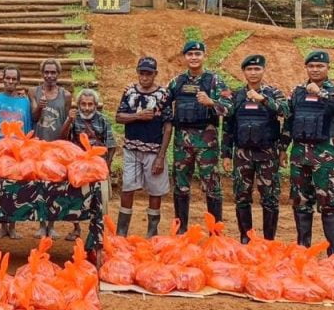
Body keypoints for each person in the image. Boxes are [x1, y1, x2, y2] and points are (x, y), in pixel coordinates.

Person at [282, 50, 334, 255]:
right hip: (299, 156)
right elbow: (289, 121)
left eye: (319, 66)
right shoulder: (297, 92)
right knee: (301, 201)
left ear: (327, 68)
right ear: (306, 68)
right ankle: (303, 246)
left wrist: (320, 94)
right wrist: (282, 148)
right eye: (311, 66)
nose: (315, 69)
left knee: (330, 202)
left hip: (325, 157)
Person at [166, 41, 233, 233]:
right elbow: (162, 103)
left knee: (212, 185)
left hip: (207, 143)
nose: (194, 57)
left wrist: (212, 102)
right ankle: (181, 230)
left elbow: (230, 108)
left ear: (204, 56)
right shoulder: (177, 82)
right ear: (185, 57)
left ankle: (215, 233)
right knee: (180, 185)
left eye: (197, 54)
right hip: (182, 142)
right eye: (190, 54)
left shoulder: (214, 81)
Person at [222, 55, 289, 243]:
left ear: (263, 71)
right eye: (249, 69)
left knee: (270, 198)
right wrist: (226, 154)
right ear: (244, 72)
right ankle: (246, 237)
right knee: (242, 196)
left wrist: (263, 100)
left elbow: (286, 112)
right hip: (242, 154)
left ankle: (268, 240)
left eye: (257, 69)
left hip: (268, 153)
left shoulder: (273, 93)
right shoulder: (236, 95)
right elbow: (228, 126)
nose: (253, 73)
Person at [115, 57, 173, 237]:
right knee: (127, 187)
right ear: (137, 72)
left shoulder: (164, 95)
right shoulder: (129, 91)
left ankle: (151, 233)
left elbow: (168, 126)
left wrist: (161, 157)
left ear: (155, 74)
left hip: (154, 150)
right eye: (142, 73)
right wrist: (137, 116)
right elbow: (118, 117)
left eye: (149, 73)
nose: (145, 77)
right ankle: (121, 232)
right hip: (131, 148)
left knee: (155, 191)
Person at [0, 65, 36, 239]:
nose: (10, 82)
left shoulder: (25, 102)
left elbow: (31, 122)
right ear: (3, 79)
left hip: (17, 150)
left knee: (14, 189)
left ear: (18, 81)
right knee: (0, 188)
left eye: (14, 79)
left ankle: (12, 226)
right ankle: (2, 226)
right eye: (8, 78)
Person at [61, 88, 117, 241]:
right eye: (83, 104)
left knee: (99, 198)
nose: (86, 108)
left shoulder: (103, 120)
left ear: (95, 105)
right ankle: (76, 228)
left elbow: (111, 145)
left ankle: (98, 231)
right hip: (77, 166)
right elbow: (63, 139)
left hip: (98, 166)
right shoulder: (74, 118)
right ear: (78, 104)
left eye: (90, 104)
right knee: (74, 196)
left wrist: (107, 166)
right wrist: (68, 121)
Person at [32, 58, 72, 239]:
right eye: (46, 72)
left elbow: (66, 121)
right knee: (41, 186)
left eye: (53, 72)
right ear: (42, 74)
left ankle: (52, 223)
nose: (49, 76)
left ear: (58, 74)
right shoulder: (34, 92)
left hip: (57, 147)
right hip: (39, 145)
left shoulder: (66, 95)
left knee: (55, 186)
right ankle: (41, 224)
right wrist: (39, 108)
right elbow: (32, 118)